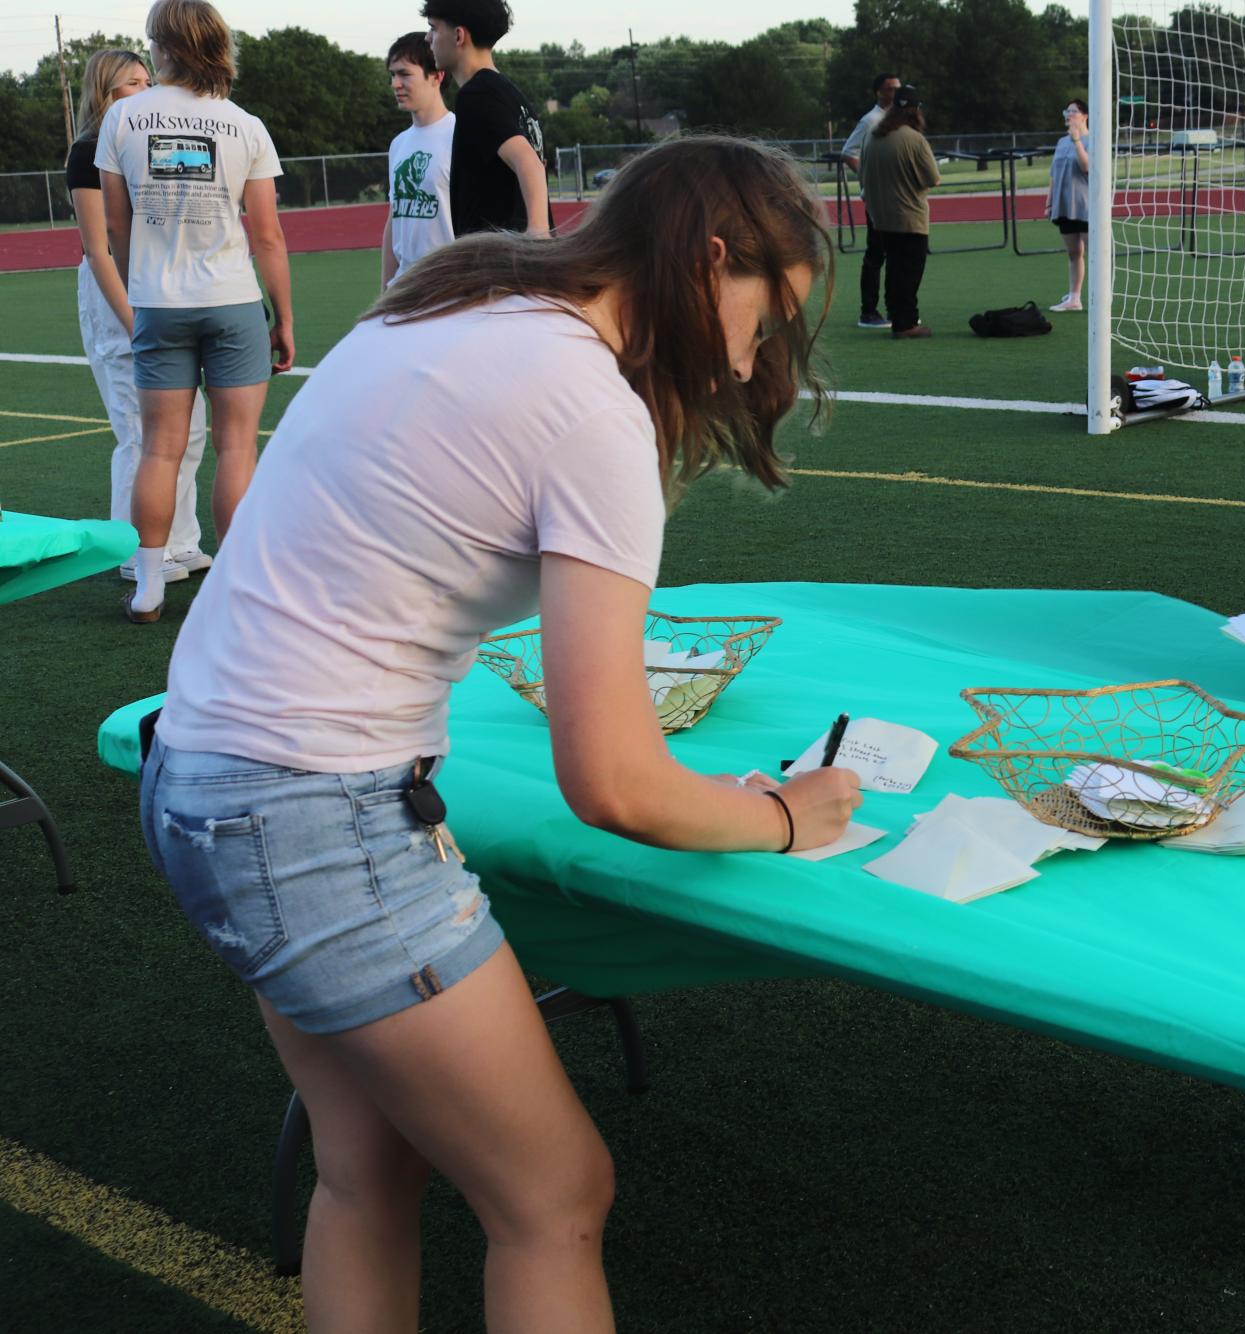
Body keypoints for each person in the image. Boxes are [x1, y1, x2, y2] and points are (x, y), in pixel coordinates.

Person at [137, 136, 863, 1331]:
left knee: (364, 1165)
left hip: (200, 773)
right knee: (557, 1193)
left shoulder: (439, 306)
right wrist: (783, 814)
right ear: (712, 259)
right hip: (314, 819)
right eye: (765, 313)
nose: (759, 351)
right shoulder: (589, 408)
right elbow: (615, 781)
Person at [96, 0, 293, 624]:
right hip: (233, 302)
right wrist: (283, 318)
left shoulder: (122, 118)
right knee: (237, 448)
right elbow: (267, 237)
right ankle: (234, 591)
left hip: (159, 303)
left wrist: (142, 285)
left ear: (163, 44)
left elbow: (116, 225)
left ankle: (149, 589)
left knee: (159, 449)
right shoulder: (244, 123)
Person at [65, 46, 212, 586]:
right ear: (106, 91)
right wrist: (132, 320)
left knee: (188, 427)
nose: (146, 90)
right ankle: (134, 550)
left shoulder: (146, 148)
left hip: (162, 290)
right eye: (132, 82)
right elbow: (99, 250)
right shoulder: (88, 152)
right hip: (119, 299)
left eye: (148, 80)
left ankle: (180, 540)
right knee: (139, 429)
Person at [423, 0, 550, 237]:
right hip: (516, 263)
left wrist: (538, 233)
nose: (427, 38)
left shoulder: (476, 96)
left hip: (498, 265)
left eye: (434, 28)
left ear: (459, 36)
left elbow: (529, 163)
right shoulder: (512, 95)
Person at [858, 84, 940, 340]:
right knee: (909, 272)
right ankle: (905, 323)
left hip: (881, 217)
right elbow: (932, 178)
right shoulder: (915, 139)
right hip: (910, 217)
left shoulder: (872, 135)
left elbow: (862, 174)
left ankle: (895, 315)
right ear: (916, 111)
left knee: (893, 269)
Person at [380, 30, 455, 288]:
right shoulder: (398, 144)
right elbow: (395, 221)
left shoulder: (463, 135)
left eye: (404, 74)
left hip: (450, 286)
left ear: (437, 76)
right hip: (404, 288)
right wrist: (384, 293)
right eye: (392, 75)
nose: (395, 84)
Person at [840, 71, 900, 329]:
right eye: (890, 89)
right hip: (878, 198)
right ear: (879, 92)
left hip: (897, 196)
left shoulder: (897, 119)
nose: (895, 94)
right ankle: (868, 311)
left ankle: (897, 309)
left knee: (896, 253)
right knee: (876, 252)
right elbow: (848, 152)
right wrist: (868, 177)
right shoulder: (870, 120)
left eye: (898, 89)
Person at [1046, 97, 1091, 313]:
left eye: (1072, 111)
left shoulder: (1092, 140)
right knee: (1074, 253)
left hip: (1086, 205)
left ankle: (1101, 295)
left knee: (1094, 253)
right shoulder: (1061, 142)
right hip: (1064, 205)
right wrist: (1049, 202)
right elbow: (1053, 174)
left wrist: (1077, 141)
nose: (1068, 114)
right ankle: (1074, 297)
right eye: (1066, 111)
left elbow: (1086, 167)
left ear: (1084, 116)